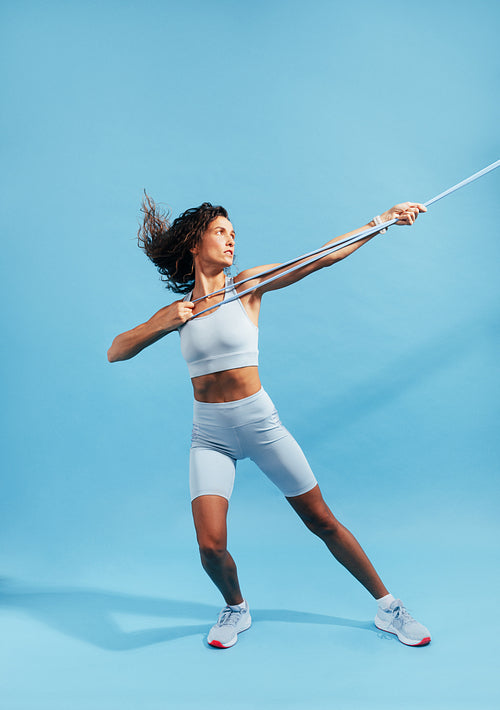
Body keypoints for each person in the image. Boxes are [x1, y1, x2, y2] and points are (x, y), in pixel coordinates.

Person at [107, 195, 431, 649]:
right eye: (221, 231)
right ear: (195, 243)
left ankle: (389, 606)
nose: (231, 238)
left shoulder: (246, 287)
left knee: (321, 520)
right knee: (210, 546)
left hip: (260, 424)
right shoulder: (177, 313)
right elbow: (116, 350)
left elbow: (318, 258)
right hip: (210, 436)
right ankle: (235, 608)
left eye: (233, 233)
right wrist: (160, 324)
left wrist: (382, 221)